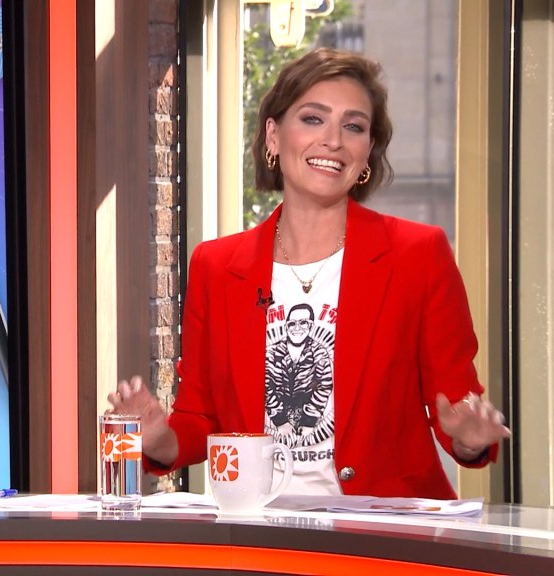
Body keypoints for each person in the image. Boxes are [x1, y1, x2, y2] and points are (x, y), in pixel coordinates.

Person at [108, 47, 511, 499]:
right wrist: (157, 438)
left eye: (354, 126)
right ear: (274, 135)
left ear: (368, 151)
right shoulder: (217, 266)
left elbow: (455, 408)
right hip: (260, 525)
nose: (333, 140)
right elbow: (201, 420)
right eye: (313, 119)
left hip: (384, 529)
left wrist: (469, 437)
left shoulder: (418, 254)